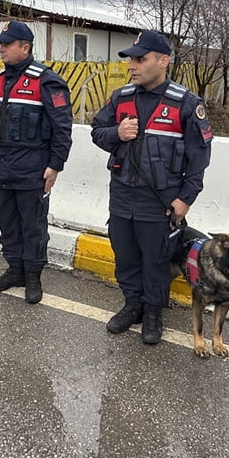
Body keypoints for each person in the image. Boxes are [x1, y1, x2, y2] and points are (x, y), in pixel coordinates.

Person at [90, 30, 213, 344]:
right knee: (126, 257)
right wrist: (117, 132)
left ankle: (154, 313)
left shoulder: (185, 103)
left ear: (163, 61)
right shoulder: (120, 98)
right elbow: (97, 132)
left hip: (160, 201)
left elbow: (199, 158)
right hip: (121, 195)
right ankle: (133, 305)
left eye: (140, 59)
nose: (132, 65)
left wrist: (185, 200)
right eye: (131, 59)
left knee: (156, 261)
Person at [0, 21, 73, 304]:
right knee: (8, 223)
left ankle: (32, 276)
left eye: (7, 43)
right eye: (0, 43)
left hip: (32, 169)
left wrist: (55, 165)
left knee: (32, 226)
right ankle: (14, 270)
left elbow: (62, 128)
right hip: (0, 167)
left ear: (25, 47)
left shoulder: (46, 81)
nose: (1, 48)